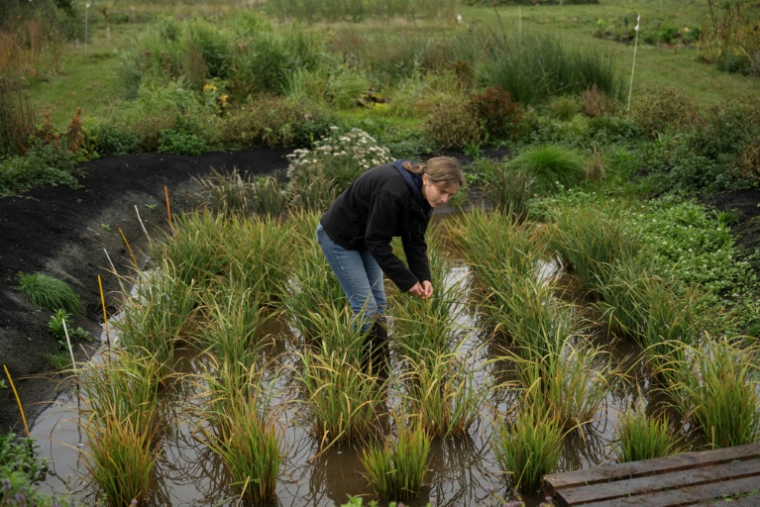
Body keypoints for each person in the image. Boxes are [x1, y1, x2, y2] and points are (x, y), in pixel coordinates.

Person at [316, 156, 463, 365]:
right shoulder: (393, 191)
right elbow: (376, 241)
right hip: (339, 238)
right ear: (426, 179)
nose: (445, 200)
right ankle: (348, 363)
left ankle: (377, 360)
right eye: (442, 191)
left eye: (450, 195)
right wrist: (407, 281)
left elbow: (414, 238)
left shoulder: (426, 198)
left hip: (365, 238)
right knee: (366, 309)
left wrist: (423, 277)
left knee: (380, 306)